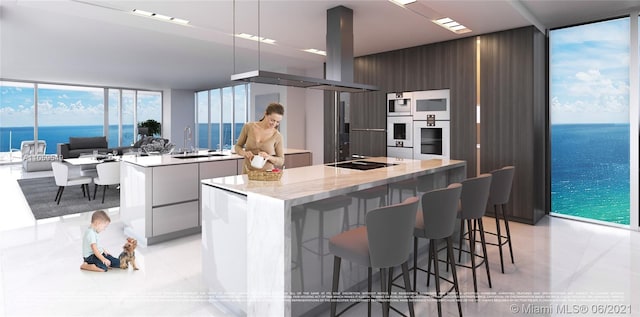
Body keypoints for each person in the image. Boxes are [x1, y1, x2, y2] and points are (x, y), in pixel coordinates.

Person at [235, 102, 286, 174]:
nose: (274, 124)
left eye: (278, 122)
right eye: (272, 120)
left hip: (267, 175)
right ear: (265, 114)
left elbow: (281, 161)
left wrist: (269, 157)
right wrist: (244, 153)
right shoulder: (248, 127)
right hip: (247, 173)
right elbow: (237, 146)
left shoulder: (277, 136)